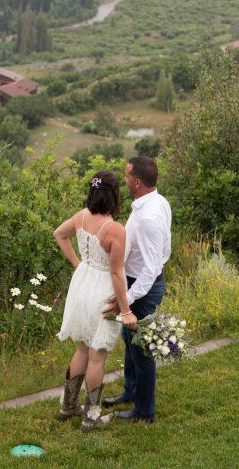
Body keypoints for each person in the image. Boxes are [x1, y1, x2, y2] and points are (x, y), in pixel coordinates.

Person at [53, 169, 137, 432]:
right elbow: (115, 273)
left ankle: (68, 406)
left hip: (81, 284)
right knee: (97, 355)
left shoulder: (81, 216)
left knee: (82, 348)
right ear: (114, 195)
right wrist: (126, 312)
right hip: (101, 288)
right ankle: (91, 417)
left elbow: (59, 234)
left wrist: (79, 263)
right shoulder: (114, 229)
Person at [102, 155, 172, 423]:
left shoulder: (149, 217)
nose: (125, 178)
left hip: (142, 287)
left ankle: (144, 412)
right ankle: (131, 392)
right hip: (135, 282)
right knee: (129, 341)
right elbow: (166, 246)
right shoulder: (157, 201)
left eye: (127, 174)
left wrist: (125, 301)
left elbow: (152, 268)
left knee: (142, 351)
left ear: (138, 182)